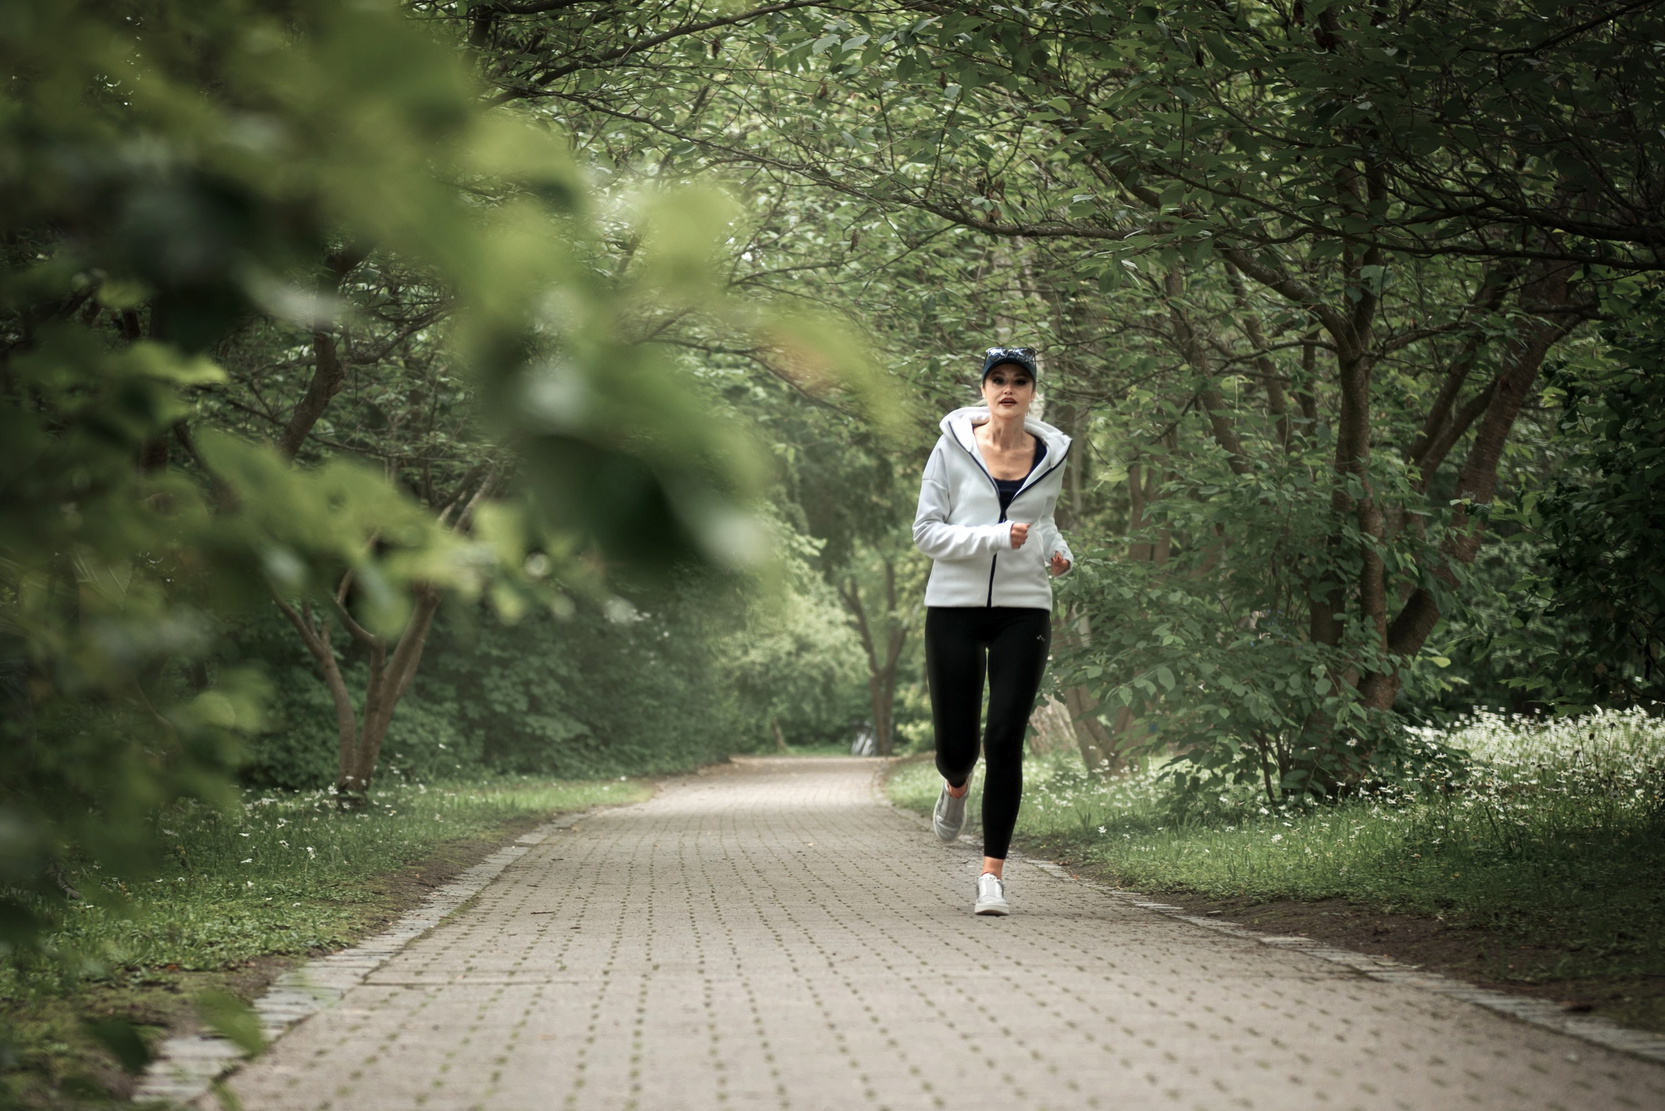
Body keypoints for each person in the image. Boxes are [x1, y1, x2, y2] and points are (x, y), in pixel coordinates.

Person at [912, 346, 1073, 916]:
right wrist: (995, 537)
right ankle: (955, 786)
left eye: (1019, 380)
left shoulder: (1049, 455)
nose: (1008, 388)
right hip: (953, 606)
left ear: (1032, 393)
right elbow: (927, 532)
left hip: (1024, 607)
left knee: (1004, 739)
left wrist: (1059, 553)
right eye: (998, 379)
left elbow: (1046, 521)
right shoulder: (950, 448)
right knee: (958, 749)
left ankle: (991, 876)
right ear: (983, 390)